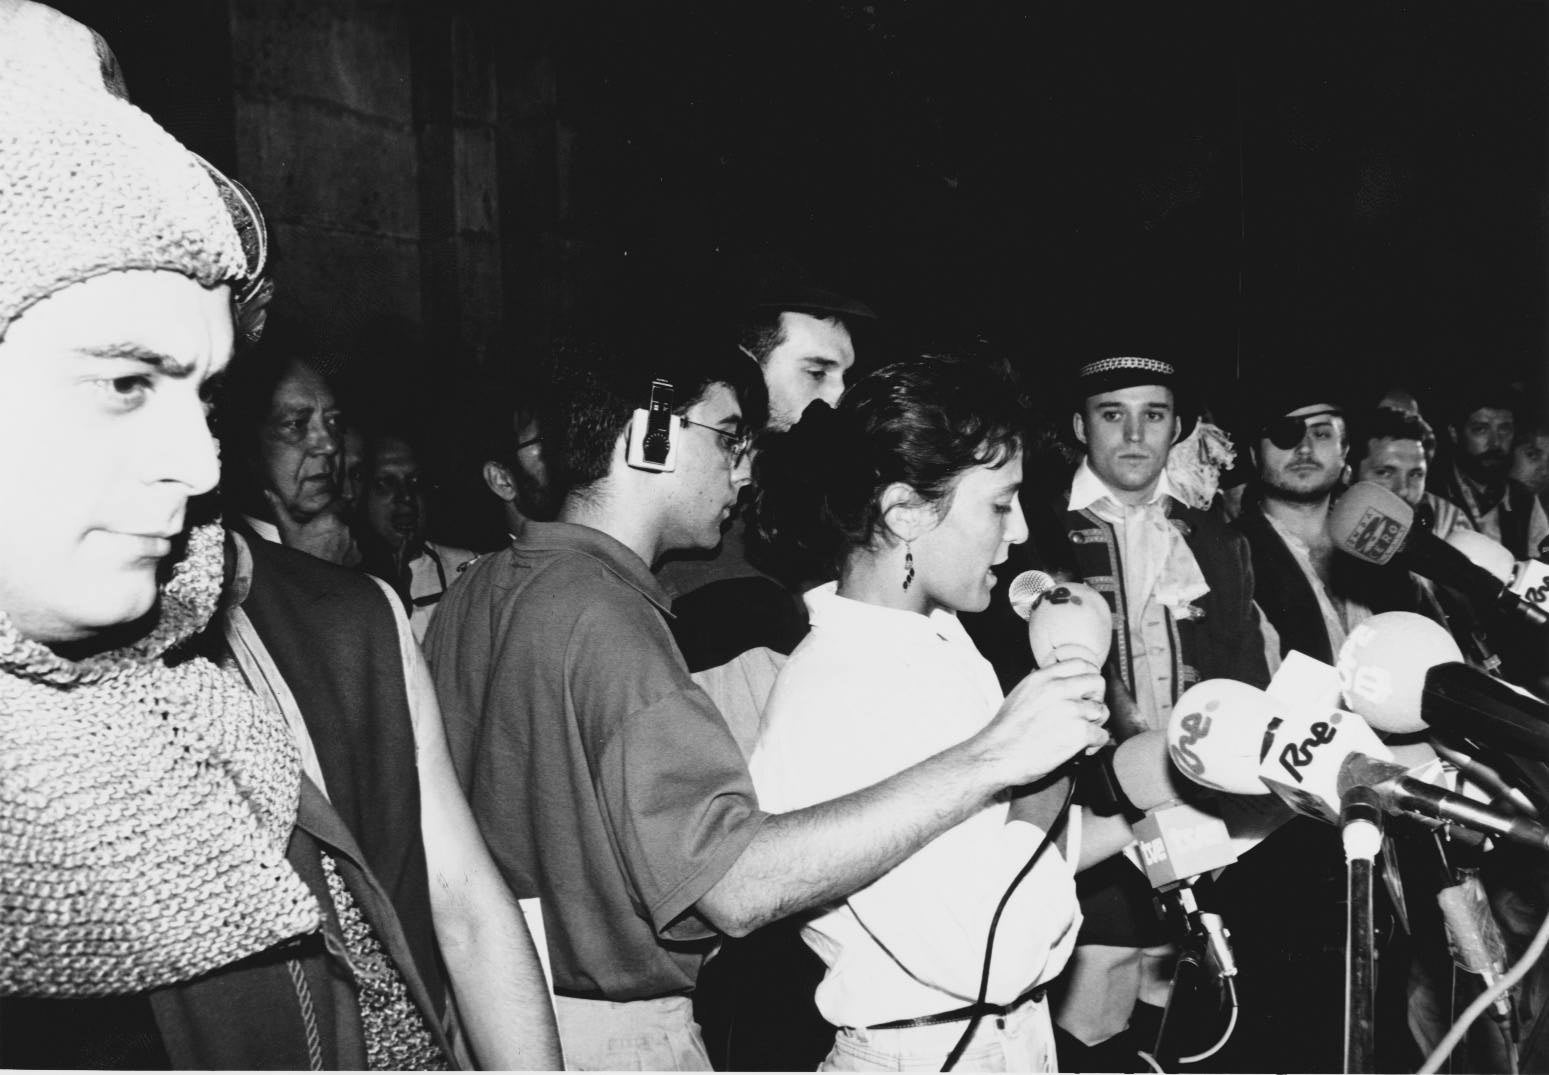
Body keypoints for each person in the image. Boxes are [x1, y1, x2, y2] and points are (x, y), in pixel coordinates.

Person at [0, 6, 560, 1067]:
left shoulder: (221, 683)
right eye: (125, 383)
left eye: (203, 395)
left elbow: (443, 914)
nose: (203, 465)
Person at [424, 331, 1108, 1070]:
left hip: (491, 1014)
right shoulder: (610, 619)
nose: (743, 470)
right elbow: (735, 887)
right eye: (727, 439)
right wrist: (996, 760)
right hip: (616, 1037)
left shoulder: (476, 592)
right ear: (650, 435)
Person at [746, 355, 1128, 1071]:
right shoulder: (846, 688)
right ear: (904, 512)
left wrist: (1162, 809)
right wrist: (1041, 764)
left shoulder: (942, 641)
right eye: (997, 504)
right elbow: (994, 954)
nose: (1017, 533)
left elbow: (1000, 854)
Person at [980, 355, 1269, 1071]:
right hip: (1089, 803)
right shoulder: (1029, 530)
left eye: (1155, 414)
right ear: (1080, 426)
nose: (1135, 434)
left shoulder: (1217, 539)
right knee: (1095, 982)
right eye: (1113, 414)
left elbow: (1239, 672)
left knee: (1169, 978)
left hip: (1196, 797)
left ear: (1178, 427)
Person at [218, 332, 359, 566]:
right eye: (296, 424)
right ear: (245, 443)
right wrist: (312, 573)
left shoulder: (369, 552)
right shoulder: (216, 562)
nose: (330, 444)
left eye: (333, 421)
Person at [356, 424, 477, 641]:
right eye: (386, 483)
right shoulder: (342, 577)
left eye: (415, 482)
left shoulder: (468, 570)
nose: (406, 497)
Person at [1430, 385, 1549, 560]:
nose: (1495, 443)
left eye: (1504, 429)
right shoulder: (1433, 493)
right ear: (1454, 433)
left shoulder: (1523, 500)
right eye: (1481, 430)